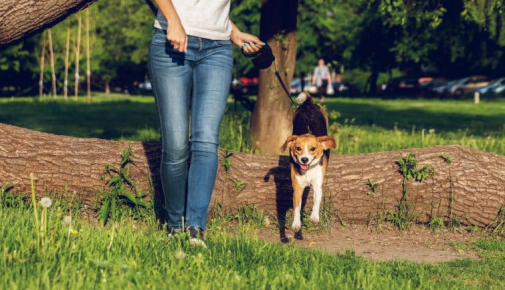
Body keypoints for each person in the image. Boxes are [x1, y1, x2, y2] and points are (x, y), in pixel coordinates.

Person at [149, 0, 263, 247]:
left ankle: (195, 227)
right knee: (176, 144)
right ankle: (174, 224)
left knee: (206, 140)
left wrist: (234, 33)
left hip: (217, 51)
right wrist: (174, 21)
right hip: (171, 41)